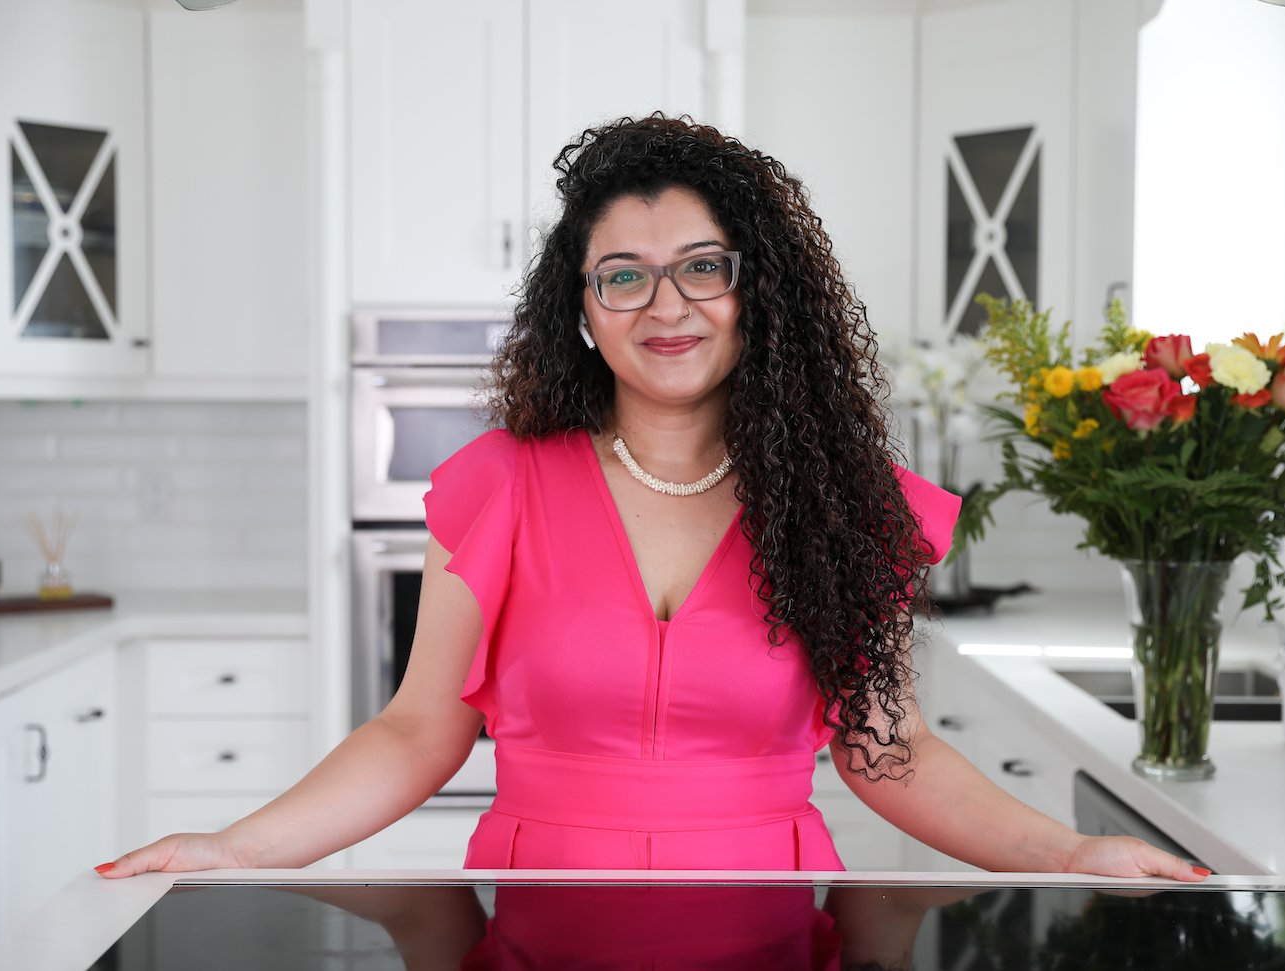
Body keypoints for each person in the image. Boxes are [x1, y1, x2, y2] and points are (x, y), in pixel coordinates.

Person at [100, 114, 1205, 880]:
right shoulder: (499, 487)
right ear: (583, 306)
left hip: (766, 920)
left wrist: (1067, 853)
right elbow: (414, 732)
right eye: (622, 273)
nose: (663, 304)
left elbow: (888, 748)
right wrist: (235, 847)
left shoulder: (847, 506)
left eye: (701, 266)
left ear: (752, 286)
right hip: (540, 919)